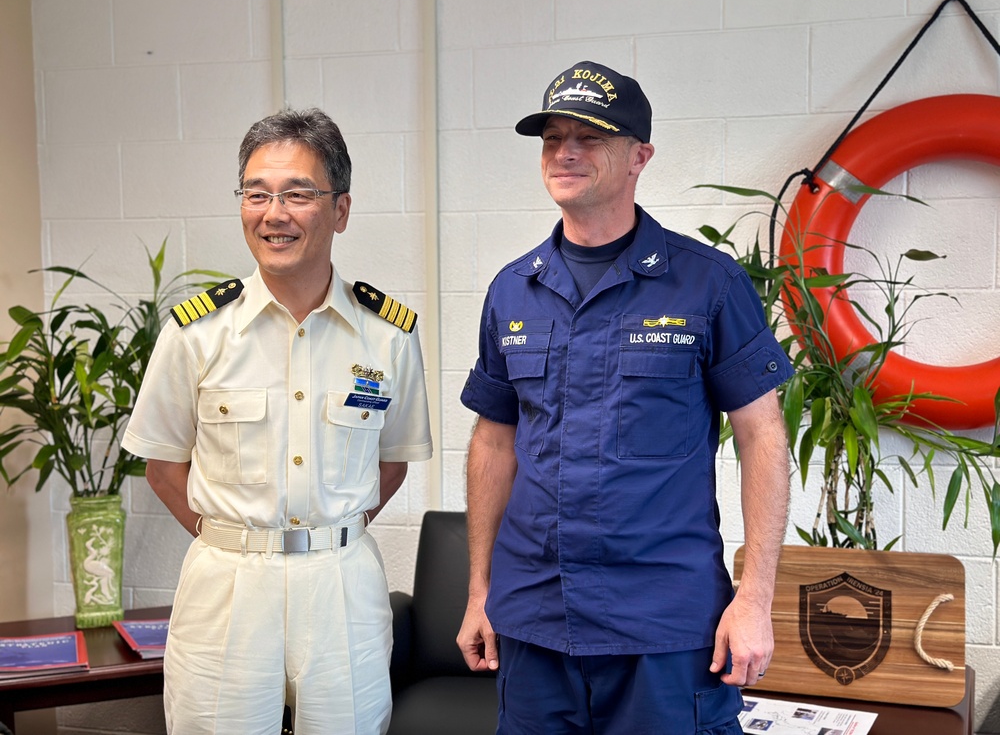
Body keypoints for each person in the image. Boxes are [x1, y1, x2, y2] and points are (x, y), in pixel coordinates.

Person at [456, 61, 793, 733]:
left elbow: (763, 438)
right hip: (534, 623)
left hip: (662, 627)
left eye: (590, 138)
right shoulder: (510, 292)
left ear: (640, 156)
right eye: (553, 139)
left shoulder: (707, 284)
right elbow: (494, 442)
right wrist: (478, 592)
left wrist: (755, 599)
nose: (566, 153)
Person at [123, 108, 433, 735]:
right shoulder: (196, 333)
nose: (274, 213)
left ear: (340, 210)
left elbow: (392, 461)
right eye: (256, 194)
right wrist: (241, 540)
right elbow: (162, 467)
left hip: (342, 586)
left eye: (298, 194)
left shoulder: (386, 336)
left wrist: (325, 535)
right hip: (227, 589)